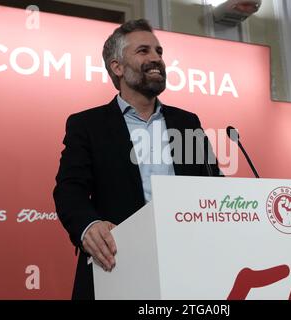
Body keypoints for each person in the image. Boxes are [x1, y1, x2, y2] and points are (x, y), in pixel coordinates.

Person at [53, 19, 221, 300]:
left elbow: (213, 186)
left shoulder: (187, 122)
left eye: (159, 51)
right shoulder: (88, 125)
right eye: (143, 51)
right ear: (117, 67)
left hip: (187, 266)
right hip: (118, 266)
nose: (156, 58)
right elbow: (70, 190)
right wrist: (89, 225)